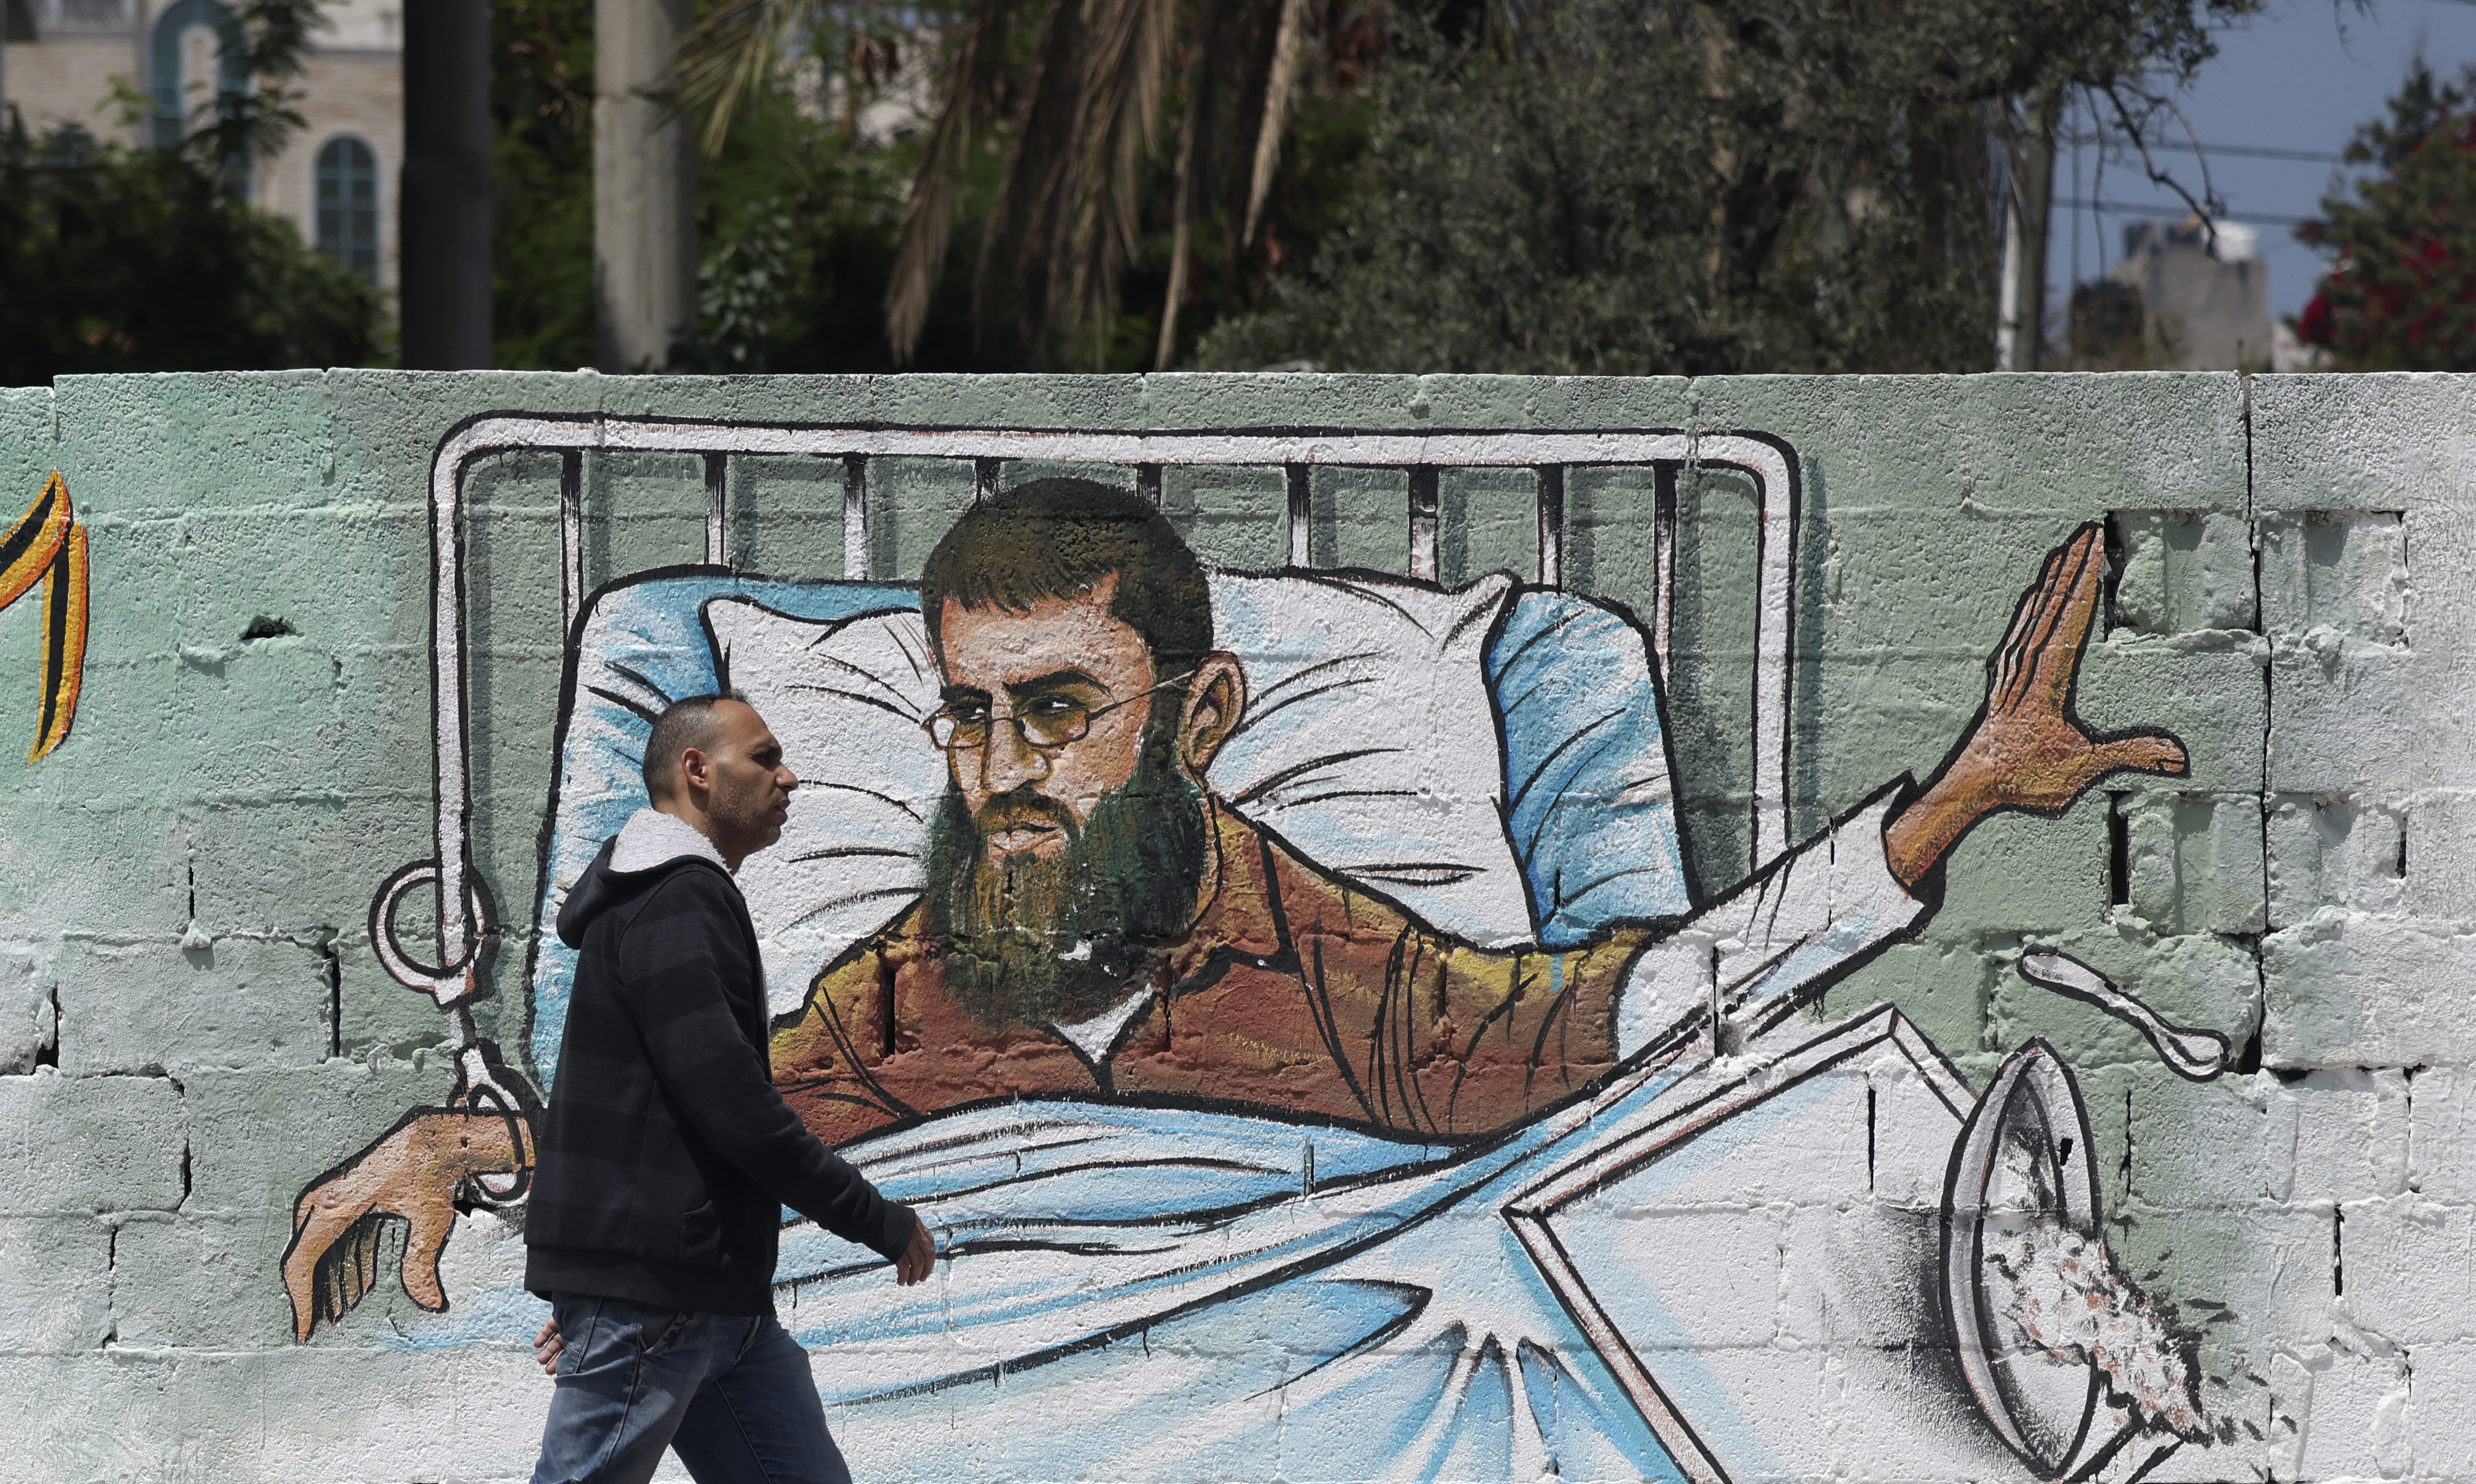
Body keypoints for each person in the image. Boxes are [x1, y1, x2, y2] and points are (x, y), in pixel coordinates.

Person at [283, 485, 2173, 1314]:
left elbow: (1630, 1007)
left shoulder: (1337, 966)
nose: (1002, 768)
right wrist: (475, 1140)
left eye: (1058, 713)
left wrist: (1949, 810)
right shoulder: (910, 996)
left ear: (1200, 716)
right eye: (966, 719)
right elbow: (712, 1129)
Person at [292, 690, 1033, 1484]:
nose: (789, 779)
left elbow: (608, 1111)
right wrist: (874, 1217)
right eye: (765, 758)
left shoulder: (666, 903)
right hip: (672, 1294)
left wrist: (584, 1276)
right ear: (697, 772)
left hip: (711, 1303)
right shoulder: (680, 904)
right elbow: (728, 1104)